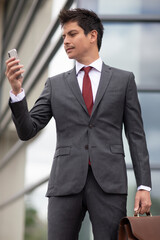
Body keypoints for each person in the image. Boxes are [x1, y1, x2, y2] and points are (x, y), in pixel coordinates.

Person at [5, 8, 151, 240]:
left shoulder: (124, 81)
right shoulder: (55, 85)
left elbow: (136, 136)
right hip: (64, 184)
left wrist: (144, 185)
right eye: (63, 37)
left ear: (92, 36)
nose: (66, 41)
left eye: (72, 34)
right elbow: (27, 130)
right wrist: (16, 91)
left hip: (109, 185)